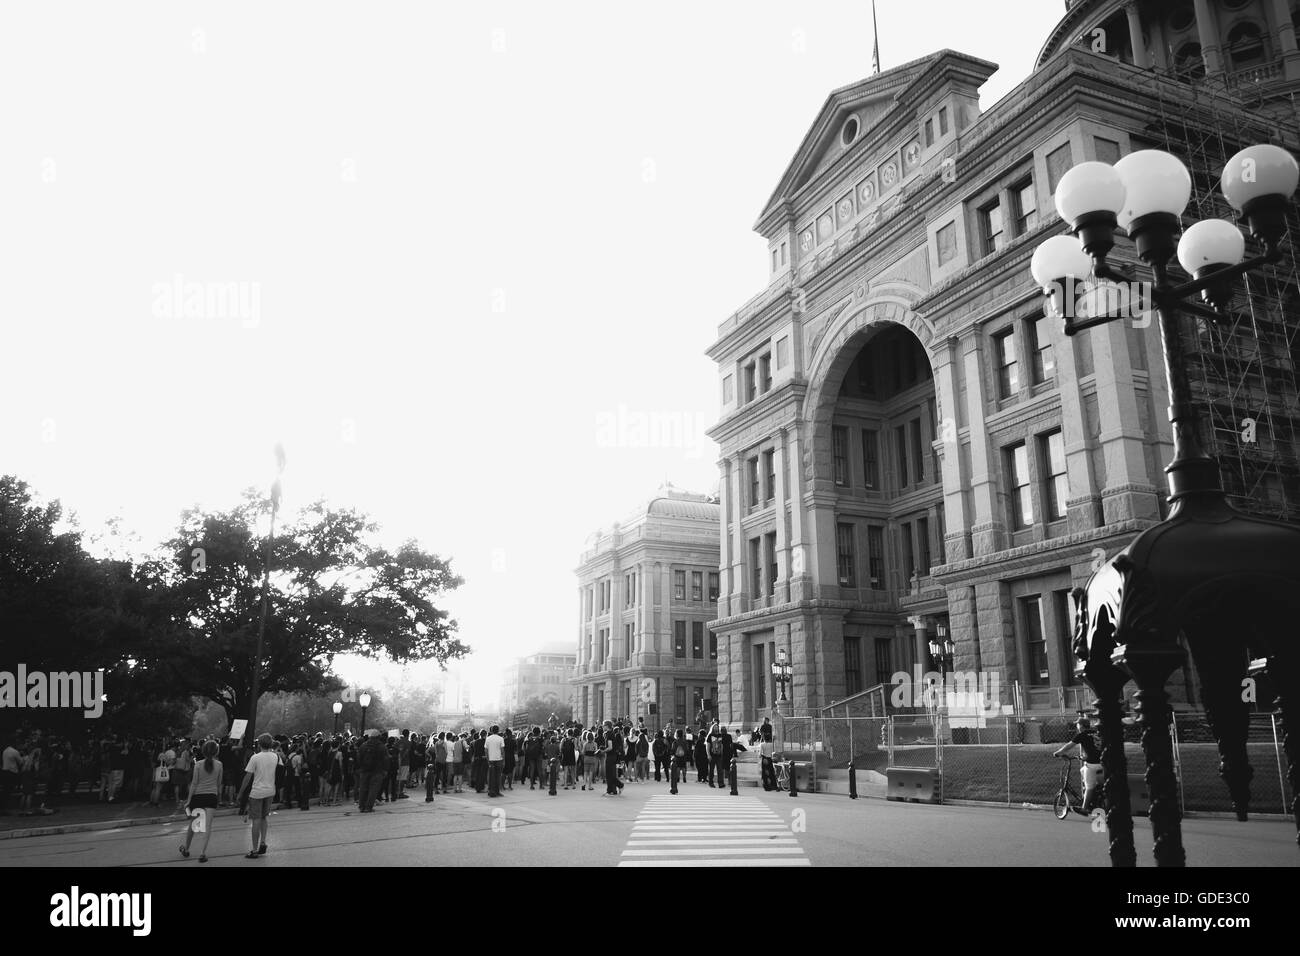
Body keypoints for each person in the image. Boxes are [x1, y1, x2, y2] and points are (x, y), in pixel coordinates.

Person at [236, 734, 279, 859]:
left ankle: (254, 850)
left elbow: (247, 777)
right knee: (264, 817)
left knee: (255, 820)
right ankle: (263, 842)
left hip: (257, 792)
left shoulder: (255, 758)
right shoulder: (275, 756)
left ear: (259, 744)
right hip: (270, 790)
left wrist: (240, 793)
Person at [180, 741, 221, 862]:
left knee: (193, 825)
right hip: (212, 796)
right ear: (216, 752)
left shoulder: (198, 764)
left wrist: (188, 800)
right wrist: (218, 798)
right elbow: (219, 784)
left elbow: (194, 783)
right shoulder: (219, 765)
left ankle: (186, 849)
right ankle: (202, 853)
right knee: (208, 826)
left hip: (198, 797)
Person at [1054, 718, 1104, 813]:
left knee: (1089, 786)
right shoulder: (1097, 732)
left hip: (1093, 764)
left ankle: (1084, 809)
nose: (1077, 726)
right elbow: (1093, 747)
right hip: (1104, 763)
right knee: (1082, 770)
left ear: (1080, 726)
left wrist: (1058, 753)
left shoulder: (1081, 735)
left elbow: (1069, 746)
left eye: (1077, 725)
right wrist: (1083, 756)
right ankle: (1095, 794)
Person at [356, 730, 388, 812]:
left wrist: (360, 768)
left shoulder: (363, 745)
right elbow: (386, 760)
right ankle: (368, 807)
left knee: (363, 788)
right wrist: (385, 770)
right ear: (378, 737)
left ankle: (361, 806)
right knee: (373, 789)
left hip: (364, 770)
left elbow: (358, 758)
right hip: (377, 771)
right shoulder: (382, 746)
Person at [602, 722, 624, 796]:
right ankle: (610, 790)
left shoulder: (609, 734)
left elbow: (610, 747)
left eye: (603, 725)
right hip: (613, 756)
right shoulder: (611, 733)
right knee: (610, 774)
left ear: (607, 726)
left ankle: (620, 785)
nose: (602, 726)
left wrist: (603, 751)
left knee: (610, 774)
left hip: (610, 756)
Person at [486, 725, 505, 797]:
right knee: (498, 776)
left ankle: (491, 791)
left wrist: (488, 760)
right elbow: (502, 750)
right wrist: (503, 760)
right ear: (498, 730)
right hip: (499, 759)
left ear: (491, 731)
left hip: (491, 759)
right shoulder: (501, 738)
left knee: (491, 776)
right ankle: (497, 791)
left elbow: (486, 750)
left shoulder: (488, 739)